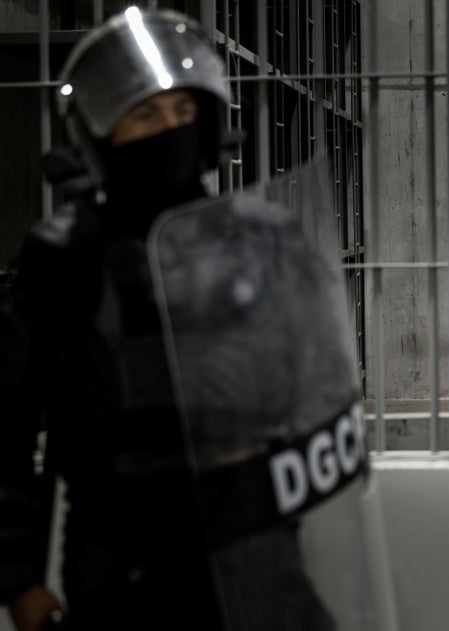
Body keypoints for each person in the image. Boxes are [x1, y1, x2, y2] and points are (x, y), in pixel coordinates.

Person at [0, 8, 352, 631]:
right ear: (103, 137)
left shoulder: (255, 239)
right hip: (124, 563)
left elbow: (312, 385)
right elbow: (7, 422)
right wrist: (17, 580)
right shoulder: (66, 256)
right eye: (146, 116)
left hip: (253, 547)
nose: (170, 128)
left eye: (184, 113)